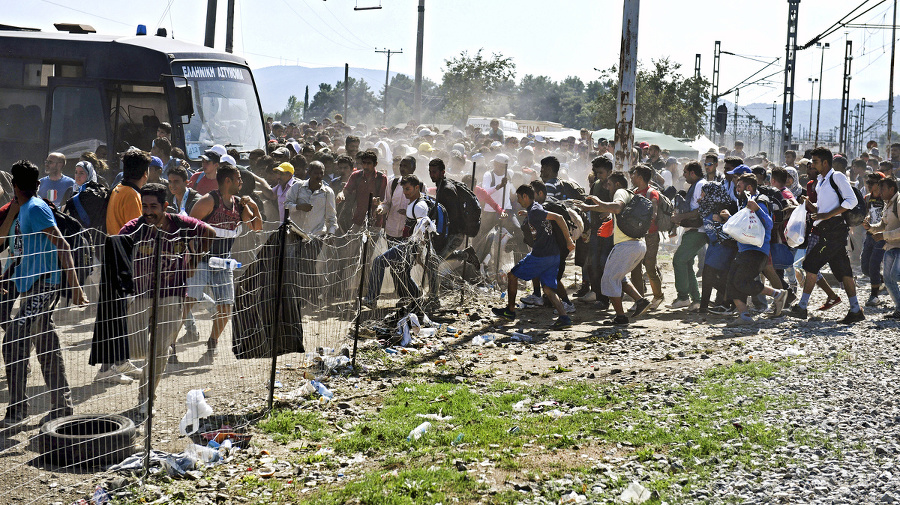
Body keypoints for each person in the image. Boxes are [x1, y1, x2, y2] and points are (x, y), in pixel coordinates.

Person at [0, 159, 88, 429]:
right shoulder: (23, 209)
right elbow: (9, 244)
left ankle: (17, 411)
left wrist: (75, 287)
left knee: (13, 340)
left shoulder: (37, 208)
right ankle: (62, 406)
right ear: (37, 184)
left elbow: (62, 245)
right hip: (29, 285)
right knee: (46, 343)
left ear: (14, 185)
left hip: (44, 284)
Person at [119, 184, 216, 420]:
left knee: (161, 350)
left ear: (164, 206)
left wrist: (195, 258)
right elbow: (117, 246)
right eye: (145, 206)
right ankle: (146, 371)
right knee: (137, 348)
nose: (149, 211)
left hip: (173, 295)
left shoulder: (181, 224)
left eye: (154, 206)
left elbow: (210, 233)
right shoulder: (135, 228)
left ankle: (146, 398)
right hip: (142, 294)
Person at [186, 161, 262, 356]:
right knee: (188, 303)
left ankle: (212, 342)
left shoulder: (239, 205)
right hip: (201, 261)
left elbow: (257, 226)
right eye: (238, 179)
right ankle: (170, 345)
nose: (241, 183)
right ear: (228, 180)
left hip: (223, 263)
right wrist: (192, 257)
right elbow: (188, 228)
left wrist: (252, 205)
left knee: (226, 308)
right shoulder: (208, 201)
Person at [790, 147, 864, 323]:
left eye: (815, 161)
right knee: (844, 271)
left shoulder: (836, 177)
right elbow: (822, 211)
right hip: (828, 230)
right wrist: (810, 205)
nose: (812, 164)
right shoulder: (822, 181)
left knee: (811, 264)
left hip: (833, 230)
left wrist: (826, 215)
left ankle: (802, 307)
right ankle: (855, 309)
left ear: (825, 162)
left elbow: (851, 200)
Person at [492, 184, 575, 330]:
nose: (518, 201)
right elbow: (540, 216)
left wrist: (569, 240)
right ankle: (564, 317)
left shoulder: (535, 211)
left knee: (512, 276)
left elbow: (559, 217)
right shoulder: (535, 208)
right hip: (553, 255)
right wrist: (527, 214)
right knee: (548, 290)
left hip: (541, 255)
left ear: (525, 196)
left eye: (519, 198)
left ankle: (510, 311)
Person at [578, 172, 651, 325]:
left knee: (609, 279)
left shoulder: (620, 192)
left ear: (617, 184)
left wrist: (597, 202)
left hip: (626, 246)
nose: (607, 187)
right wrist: (591, 208)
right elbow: (614, 211)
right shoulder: (630, 196)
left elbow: (617, 208)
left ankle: (620, 317)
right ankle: (640, 301)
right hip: (638, 246)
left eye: (609, 184)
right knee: (619, 277)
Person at [720, 174, 788, 326]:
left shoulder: (759, 202)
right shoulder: (745, 203)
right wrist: (729, 218)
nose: (737, 189)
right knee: (731, 282)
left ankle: (777, 294)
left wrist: (758, 209)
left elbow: (768, 224)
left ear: (748, 188)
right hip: (744, 250)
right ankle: (744, 315)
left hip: (756, 251)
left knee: (742, 281)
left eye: (739, 186)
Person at [364, 174, 439, 305]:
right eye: (404, 189)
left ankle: (371, 298)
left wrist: (419, 253)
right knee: (400, 270)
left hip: (410, 246)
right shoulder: (413, 204)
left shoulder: (419, 206)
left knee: (379, 262)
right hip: (407, 244)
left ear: (417, 188)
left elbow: (423, 231)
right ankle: (415, 295)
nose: (405, 193)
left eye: (408, 189)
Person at [668, 161, 707, 310]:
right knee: (687, 264)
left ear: (692, 173)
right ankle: (696, 300)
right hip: (692, 230)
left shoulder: (699, 185)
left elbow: (699, 210)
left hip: (698, 231)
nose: (683, 175)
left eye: (685, 172)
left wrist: (679, 218)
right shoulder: (695, 185)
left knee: (679, 260)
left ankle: (683, 297)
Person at [630, 164, 665, 308]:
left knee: (649, 267)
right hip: (636, 236)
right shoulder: (634, 192)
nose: (632, 177)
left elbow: (654, 214)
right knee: (635, 268)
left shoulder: (652, 193)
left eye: (634, 174)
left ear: (640, 177)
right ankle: (639, 300)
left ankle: (658, 297)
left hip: (650, 236)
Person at [869, 178, 900, 318]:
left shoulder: (898, 203)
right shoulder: (888, 204)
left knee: (894, 276)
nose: (880, 192)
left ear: (892, 189)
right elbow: (882, 225)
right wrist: (870, 228)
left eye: (883, 189)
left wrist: (884, 235)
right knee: (888, 279)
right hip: (890, 247)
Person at [337, 150, 387, 233]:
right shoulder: (356, 175)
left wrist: (378, 202)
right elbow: (346, 190)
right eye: (364, 163)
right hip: (358, 219)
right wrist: (340, 195)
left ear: (375, 164)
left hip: (375, 220)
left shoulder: (381, 178)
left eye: (369, 163)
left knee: (370, 245)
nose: (366, 166)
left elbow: (384, 200)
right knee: (353, 244)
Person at [106, 149, 149, 234]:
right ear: (145, 174)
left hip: (115, 244)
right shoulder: (132, 195)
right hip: (124, 246)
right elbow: (136, 232)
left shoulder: (118, 188)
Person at [861, 172, 887, 306]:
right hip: (870, 234)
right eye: (868, 182)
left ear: (880, 184)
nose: (868, 185)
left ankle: (874, 296)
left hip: (882, 236)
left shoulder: (886, 199)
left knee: (874, 264)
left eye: (872, 183)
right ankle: (883, 281)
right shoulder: (867, 198)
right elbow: (867, 213)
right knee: (865, 267)